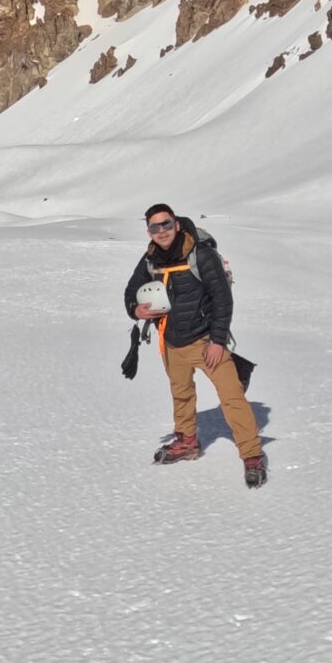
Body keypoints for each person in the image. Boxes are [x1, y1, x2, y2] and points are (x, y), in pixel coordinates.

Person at [125, 201, 266, 487]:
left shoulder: (201, 255)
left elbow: (223, 299)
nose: (161, 231)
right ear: (148, 231)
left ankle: (251, 455)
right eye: (155, 227)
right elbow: (131, 290)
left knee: (231, 396)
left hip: (205, 341)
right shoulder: (150, 258)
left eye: (166, 224)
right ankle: (187, 441)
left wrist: (217, 340)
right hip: (171, 341)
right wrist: (135, 310)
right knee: (181, 395)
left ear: (176, 224)